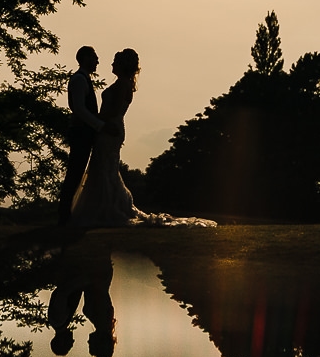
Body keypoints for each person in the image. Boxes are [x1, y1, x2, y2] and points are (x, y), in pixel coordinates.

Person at [70, 49, 216, 228]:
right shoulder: (121, 83)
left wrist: (93, 119)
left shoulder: (123, 84)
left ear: (123, 65)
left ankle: (107, 208)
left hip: (110, 130)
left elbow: (113, 111)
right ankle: (102, 206)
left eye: (115, 61)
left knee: (105, 167)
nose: (111, 64)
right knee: (104, 168)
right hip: (107, 129)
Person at [58, 46, 104, 225]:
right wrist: (98, 125)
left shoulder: (84, 79)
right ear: (85, 58)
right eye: (94, 57)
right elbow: (78, 109)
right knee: (75, 173)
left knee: (77, 173)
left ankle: (67, 214)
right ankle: (64, 215)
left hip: (85, 132)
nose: (97, 61)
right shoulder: (78, 80)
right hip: (81, 133)